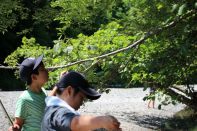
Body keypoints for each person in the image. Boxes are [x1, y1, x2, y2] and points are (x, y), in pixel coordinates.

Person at [41, 71, 122, 131]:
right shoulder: (57, 112)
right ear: (69, 91)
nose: (81, 102)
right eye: (81, 97)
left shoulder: (50, 107)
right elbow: (75, 123)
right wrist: (101, 121)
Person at [8, 55, 57, 131]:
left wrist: (60, 84)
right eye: (42, 69)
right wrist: (14, 128)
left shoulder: (43, 91)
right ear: (34, 77)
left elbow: (49, 101)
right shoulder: (24, 99)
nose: (46, 70)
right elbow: (18, 123)